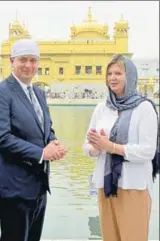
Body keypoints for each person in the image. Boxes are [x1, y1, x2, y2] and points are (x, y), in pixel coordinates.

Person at [0, 38, 67, 241]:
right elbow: (1, 139)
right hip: (13, 188)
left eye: (33, 60)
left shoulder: (38, 93)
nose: (28, 65)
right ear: (12, 61)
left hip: (38, 186)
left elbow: (45, 127)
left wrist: (53, 141)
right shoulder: (0, 93)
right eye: (23, 59)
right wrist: (42, 153)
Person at [83, 54, 159, 241]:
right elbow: (88, 146)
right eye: (109, 73)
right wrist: (95, 148)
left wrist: (112, 146)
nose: (112, 78)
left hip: (134, 185)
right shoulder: (102, 108)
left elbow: (147, 151)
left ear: (130, 76)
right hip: (106, 185)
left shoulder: (144, 108)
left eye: (118, 73)